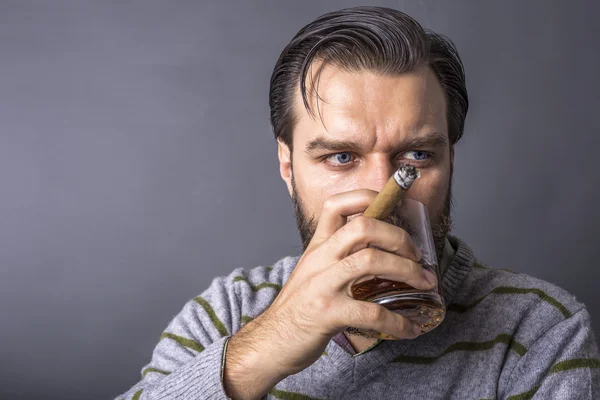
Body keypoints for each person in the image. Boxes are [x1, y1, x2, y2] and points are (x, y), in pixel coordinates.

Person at [116, 6, 599, 400]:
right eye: (341, 157)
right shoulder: (224, 314)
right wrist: (267, 346)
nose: (380, 193)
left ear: (450, 159)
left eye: (416, 155)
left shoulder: (538, 330)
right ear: (288, 166)